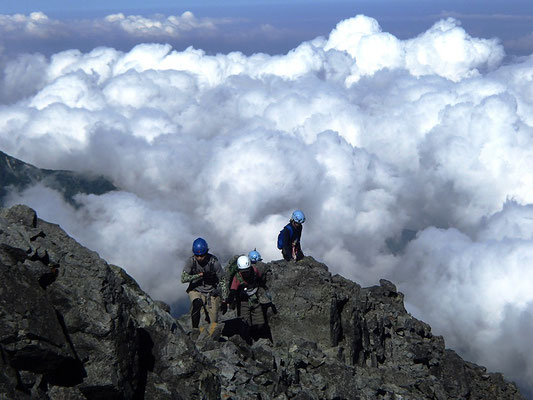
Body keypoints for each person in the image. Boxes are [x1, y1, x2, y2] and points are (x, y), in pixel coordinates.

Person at [181, 237, 227, 336]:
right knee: (197, 304)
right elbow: (183, 279)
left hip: (211, 292)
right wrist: (200, 275)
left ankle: (210, 338)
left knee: (213, 321)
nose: (200, 258)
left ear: (206, 252)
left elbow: (222, 280)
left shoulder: (214, 263)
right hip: (196, 289)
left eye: (202, 255)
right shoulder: (191, 261)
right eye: (197, 255)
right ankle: (195, 330)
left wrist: (224, 299)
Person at [227, 255, 269, 344]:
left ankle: (256, 338)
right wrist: (230, 300)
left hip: (254, 300)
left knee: (260, 323)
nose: (245, 273)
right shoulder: (237, 277)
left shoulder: (255, 271)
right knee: (246, 324)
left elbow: (260, 279)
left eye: (246, 271)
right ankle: (249, 341)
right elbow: (233, 290)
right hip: (243, 302)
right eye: (243, 272)